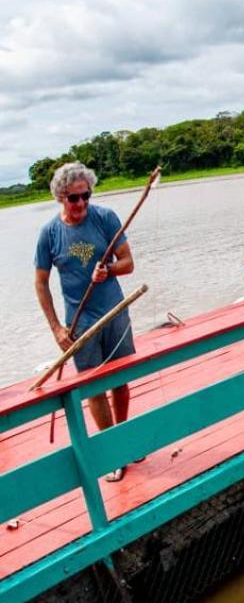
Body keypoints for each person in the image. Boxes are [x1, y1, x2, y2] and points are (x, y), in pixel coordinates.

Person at [34, 161, 137, 480]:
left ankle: (125, 441)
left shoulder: (105, 218)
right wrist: (56, 328)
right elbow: (40, 282)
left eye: (85, 196)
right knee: (93, 387)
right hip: (79, 322)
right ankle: (112, 453)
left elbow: (128, 262)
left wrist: (108, 271)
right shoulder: (49, 233)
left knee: (120, 380)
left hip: (114, 312)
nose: (80, 203)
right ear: (60, 197)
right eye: (73, 198)